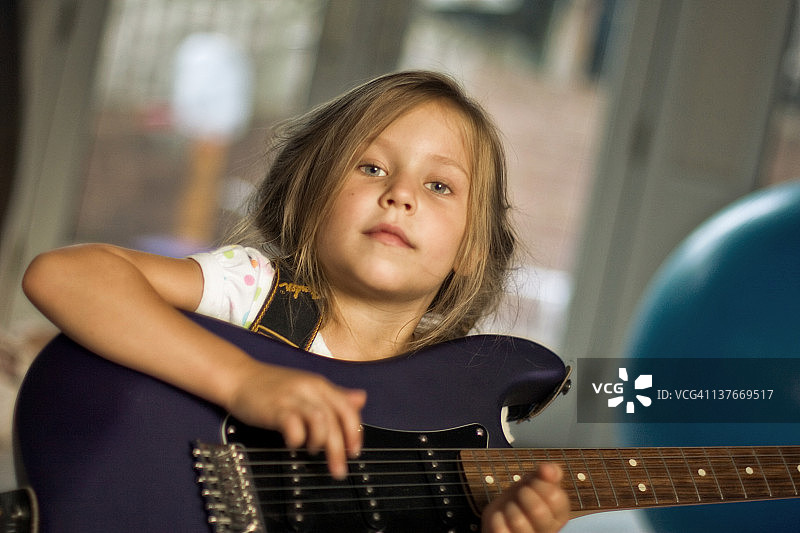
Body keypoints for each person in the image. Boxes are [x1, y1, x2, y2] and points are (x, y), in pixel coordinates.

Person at [22, 70, 570, 532]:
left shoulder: (462, 412)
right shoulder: (253, 291)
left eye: (440, 186)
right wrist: (243, 381)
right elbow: (63, 275)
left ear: (473, 249)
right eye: (372, 167)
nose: (400, 194)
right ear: (310, 197)